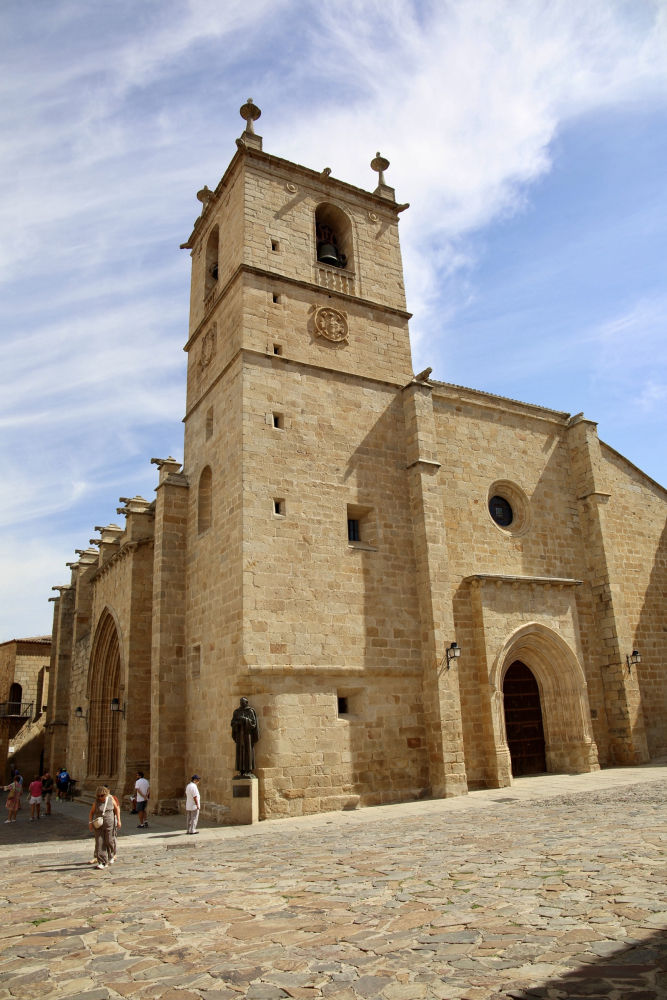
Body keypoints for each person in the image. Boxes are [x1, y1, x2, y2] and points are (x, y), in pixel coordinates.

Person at [88, 786, 120, 869]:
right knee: (100, 842)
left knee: (109, 840)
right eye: (98, 796)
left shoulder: (110, 800)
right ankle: (102, 862)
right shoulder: (96, 802)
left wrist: (119, 821)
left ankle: (111, 855)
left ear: (106, 794)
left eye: (102, 795)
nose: (100, 797)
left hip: (110, 823)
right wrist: (90, 823)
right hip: (99, 825)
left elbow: (116, 809)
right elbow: (91, 813)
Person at [231, 697, 259, 777]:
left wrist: (245, 720)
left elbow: (254, 723)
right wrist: (238, 722)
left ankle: (248, 770)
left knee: (248, 752)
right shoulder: (236, 712)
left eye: (243, 702)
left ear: (246, 703)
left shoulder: (250, 711)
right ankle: (241, 770)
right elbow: (232, 723)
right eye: (240, 702)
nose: (241, 704)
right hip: (240, 736)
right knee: (240, 752)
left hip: (248, 736)